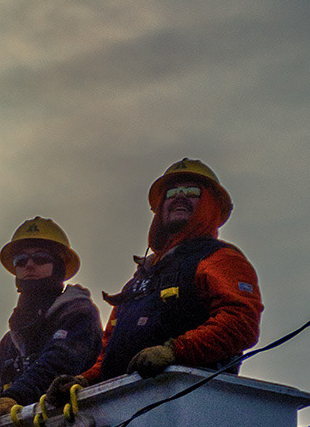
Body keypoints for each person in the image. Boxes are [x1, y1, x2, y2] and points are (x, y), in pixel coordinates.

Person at [52, 159, 261, 402]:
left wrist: (175, 351)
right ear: (160, 206)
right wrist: (85, 380)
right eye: (172, 192)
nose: (180, 197)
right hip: (126, 408)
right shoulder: (142, 275)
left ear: (212, 204)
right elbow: (110, 352)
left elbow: (241, 323)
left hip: (187, 403)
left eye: (192, 192)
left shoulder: (219, 258)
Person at [0, 218, 102, 427]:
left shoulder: (78, 313)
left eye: (40, 258)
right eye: (20, 260)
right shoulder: (9, 343)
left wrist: (13, 397)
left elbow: (59, 363)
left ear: (59, 267)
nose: (29, 265)